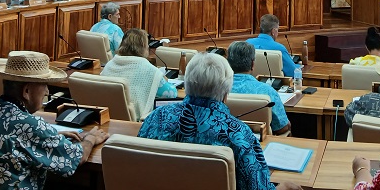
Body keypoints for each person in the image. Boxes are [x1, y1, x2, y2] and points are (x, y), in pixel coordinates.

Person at [138, 52, 300, 190]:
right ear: (225, 93)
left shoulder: (156, 118)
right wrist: (282, 187)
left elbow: (138, 167)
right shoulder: (239, 135)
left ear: (186, 85)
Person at [0, 51, 108, 189]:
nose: (47, 91)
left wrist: (50, 139)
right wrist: (90, 139)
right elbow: (75, 158)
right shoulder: (30, 126)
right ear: (26, 91)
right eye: (44, 85)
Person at [102, 28, 178, 119]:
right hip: (137, 122)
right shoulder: (149, 69)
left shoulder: (110, 64)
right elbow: (172, 94)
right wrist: (163, 79)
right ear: (144, 46)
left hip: (109, 118)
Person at [227, 41, 291, 135]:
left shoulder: (215, 90)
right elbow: (281, 128)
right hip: (262, 144)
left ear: (228, 63)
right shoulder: (267, 91)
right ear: (253, 65)